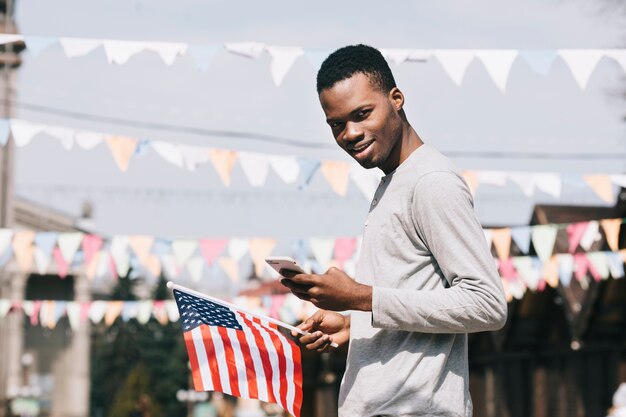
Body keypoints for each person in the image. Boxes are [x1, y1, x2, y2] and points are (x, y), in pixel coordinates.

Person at [280, 44, 508, 417]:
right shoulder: (393, 183)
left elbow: (487, 305)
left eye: (362, 114)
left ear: (397, 99)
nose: (350, 133)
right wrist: (354, 325)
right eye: (337, 124)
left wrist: (360, 298)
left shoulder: (431, 181)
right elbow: (414, 297)